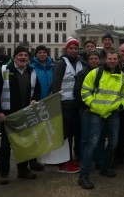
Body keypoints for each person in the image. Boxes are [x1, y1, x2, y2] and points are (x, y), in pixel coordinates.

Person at [78, 50, 124, 189]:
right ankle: (83, 175)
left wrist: (121, 105)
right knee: (92, 144)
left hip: (113, 113)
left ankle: (105, 167)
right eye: (110, 58)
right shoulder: (95, 73)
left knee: (113, 143)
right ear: (105, 59)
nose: (112, 61)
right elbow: (85, 90)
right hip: (96, 113)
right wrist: (92, 104)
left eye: (114, 58)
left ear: (118, 60)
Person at [0, 46, 42, 184]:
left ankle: (23, 170)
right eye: (20, 55)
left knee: (24, 144)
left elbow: (37, 89)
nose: (23, 57)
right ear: (14, 57)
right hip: (8, 115)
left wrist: (35, 99)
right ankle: (3, 173)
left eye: (26, 55)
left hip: (25, 114)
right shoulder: (4, 71)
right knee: (5, 146)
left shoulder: (32, 72)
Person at [51, 37, 85, 174]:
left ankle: (76, 157)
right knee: (66, 134)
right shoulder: (61, 63)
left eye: (76, 48)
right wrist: (56, 101)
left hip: (77, 102)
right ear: (66, 49)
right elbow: (56, 83)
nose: (73, 50)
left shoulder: (80, 62)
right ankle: (64, 161)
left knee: (78, 132)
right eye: (71, 48)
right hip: (65, 102)